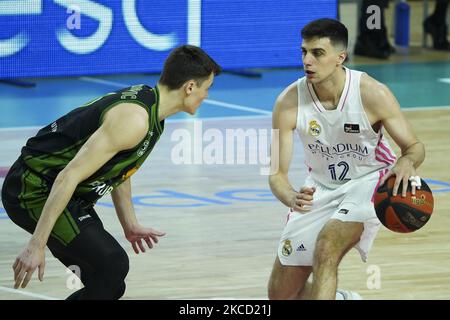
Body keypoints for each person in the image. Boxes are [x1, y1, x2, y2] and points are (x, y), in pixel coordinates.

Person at [1, 45, 222, 299]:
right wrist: (36, 245)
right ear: (190, 87)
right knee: (112, 264)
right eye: (208, 87)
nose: (207, 96)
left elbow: (119, 168)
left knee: (110, 283)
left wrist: (130, 225)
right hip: (32, 188)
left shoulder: (151, 107)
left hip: (59, 190)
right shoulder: (134, 120)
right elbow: (68, 176)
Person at [267, 18, 425, 300]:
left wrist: (407, 161)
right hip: (319, 188)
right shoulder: (287, 103)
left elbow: (414, 146)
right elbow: (276, 174)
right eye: (303, 52)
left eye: (317, 53)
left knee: (326, 248)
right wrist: (290, 196)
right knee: (281, 296)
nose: (307, 60)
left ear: (340, 57)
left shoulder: (372, 93)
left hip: (368, 183)